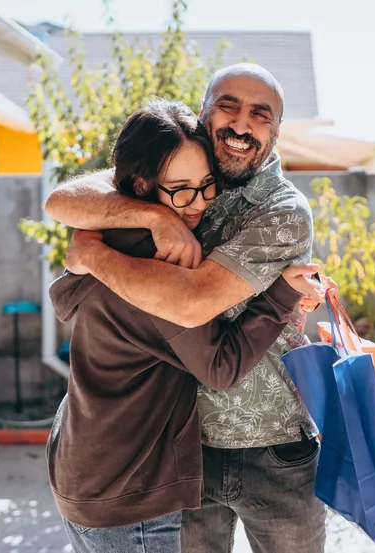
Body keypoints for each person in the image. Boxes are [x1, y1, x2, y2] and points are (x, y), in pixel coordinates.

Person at [45, 64, 329, 553]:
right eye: (228, 106)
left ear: (276, 132)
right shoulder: (175, 176)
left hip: (269, 442)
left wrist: (92, 250)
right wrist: (154, 215)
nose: (241, 124)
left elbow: (190, 302)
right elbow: (61, 201)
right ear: (203, 114)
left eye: (260, 115)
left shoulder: (279, 209)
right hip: (178, 452)